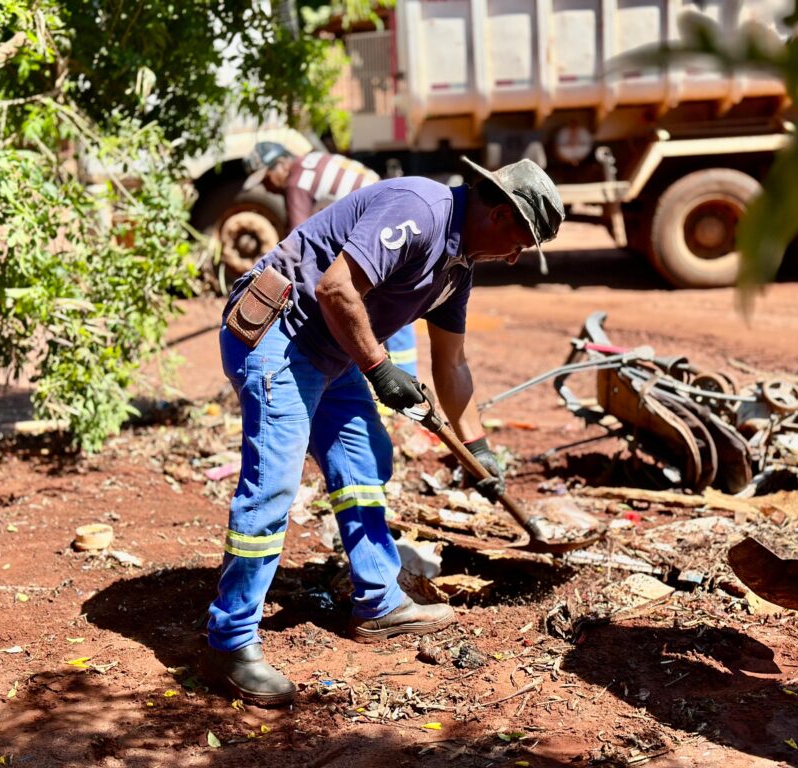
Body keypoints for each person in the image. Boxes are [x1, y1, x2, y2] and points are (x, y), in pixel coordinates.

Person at [206, 157, 565, 705]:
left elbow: (453, 364)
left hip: (331, 349)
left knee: (364, 462)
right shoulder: (419, 210)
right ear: (498, 213)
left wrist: (479, 448)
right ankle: (231, 644)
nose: (515, 257)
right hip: (281, 332)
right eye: (520, 241)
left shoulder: (456, 269)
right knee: (274, 486)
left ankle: (378, 601)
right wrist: (379, 368)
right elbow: (335, 289)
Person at [243, 141, 419, 376]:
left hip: (383, 223)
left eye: (266, 178)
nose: (266, 188)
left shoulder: (298, 180)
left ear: (281, 164)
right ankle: (401, 380)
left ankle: (402, 388)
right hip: (393, 215)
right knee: (390, 302)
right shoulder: (312, 161)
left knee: (380, 303)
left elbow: (298, 242)